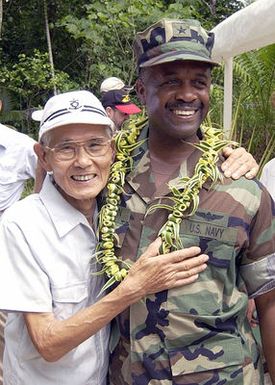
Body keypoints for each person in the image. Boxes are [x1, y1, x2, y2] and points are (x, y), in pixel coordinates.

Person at [0, 90, 210, 385]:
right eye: (66, 149)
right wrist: (134, 288)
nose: (83, 161)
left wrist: (226, 155)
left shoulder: (116, 207)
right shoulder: (21, 225)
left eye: (95, 145)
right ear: (44, 158)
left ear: (112, 151)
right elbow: (47, 343)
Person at [107, 19, 275, 384]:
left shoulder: (241, 188)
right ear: (140, 88)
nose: (187, 94)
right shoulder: (107, 177)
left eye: (198, 82)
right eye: (170, 81)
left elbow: (269, 298)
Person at [0, 99, 45, 385]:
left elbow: (50, 175)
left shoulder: (18, 146)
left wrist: (33, 218)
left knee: (6, 329)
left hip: (3, 249)